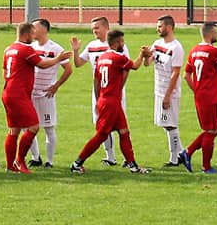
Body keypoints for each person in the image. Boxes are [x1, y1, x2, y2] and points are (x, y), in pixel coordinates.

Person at [70, 29, 151, 174]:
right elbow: (135, 66)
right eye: (122, 41)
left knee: (124, 132)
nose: (123, 44)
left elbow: (96, 80)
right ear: (117, 42)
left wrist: (98, 98)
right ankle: (77, 163)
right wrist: (142, 54)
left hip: (106, 99)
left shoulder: (101, 58)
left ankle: (133, 165)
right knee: (101, 135)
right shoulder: (118, 58)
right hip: (111, 102)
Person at [1, 22, 71, 173]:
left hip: (8, 92)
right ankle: (20, 161)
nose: (34, 37)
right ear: (26, 34)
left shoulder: (9, 49)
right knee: (33, 126)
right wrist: (58, 59)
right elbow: (42, 65)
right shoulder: (26, 49)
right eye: (32, 33)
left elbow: (4, 70)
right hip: (19, 94)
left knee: (14, 130)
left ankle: (10, 166)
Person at [72, 16, 130, 166]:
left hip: (114, 92)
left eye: (97, 28)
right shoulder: (92, 45)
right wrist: (76, 51)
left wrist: (119, 88)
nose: (94, 31)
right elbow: (78, 64)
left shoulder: (119, 47)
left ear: (106, 27)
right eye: (92, 28)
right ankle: (111, 157)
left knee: (119, 126)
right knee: (102, 125)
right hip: (99, 90)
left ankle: (127, 159)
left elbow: (127, 69)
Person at [180, 22, 217, 173]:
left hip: (201, 95)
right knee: (211, 131)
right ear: (210, 34)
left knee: (214, 130)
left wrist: (197, 89)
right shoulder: (214, 51)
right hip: (210, 96)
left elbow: (186, 75)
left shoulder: (194, 50)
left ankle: (188, 153)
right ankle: (204, 165)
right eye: (216, 32)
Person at [27, 18, 73, 168]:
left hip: (46, 95)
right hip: (31, 94)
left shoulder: (55, 49)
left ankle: (50, 161)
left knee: (48, 127)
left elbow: (68, 69)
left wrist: (56, 86)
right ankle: (35, 157)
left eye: (35, 28)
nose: (32, 30)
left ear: (44, 29)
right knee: (29, 127)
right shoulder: (30, 47)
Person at [147, 15, 185, 166]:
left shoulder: (176, 48)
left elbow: (176, 73)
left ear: (169, 27)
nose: (158, 29)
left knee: (170, 124)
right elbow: (147, 63)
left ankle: (175, 159)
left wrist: (168, 95)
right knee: (164, 123)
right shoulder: (157, 43)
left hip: (170, 92)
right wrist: (145, 55)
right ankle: (182, 153)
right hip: (158, 89)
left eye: (160, 26)